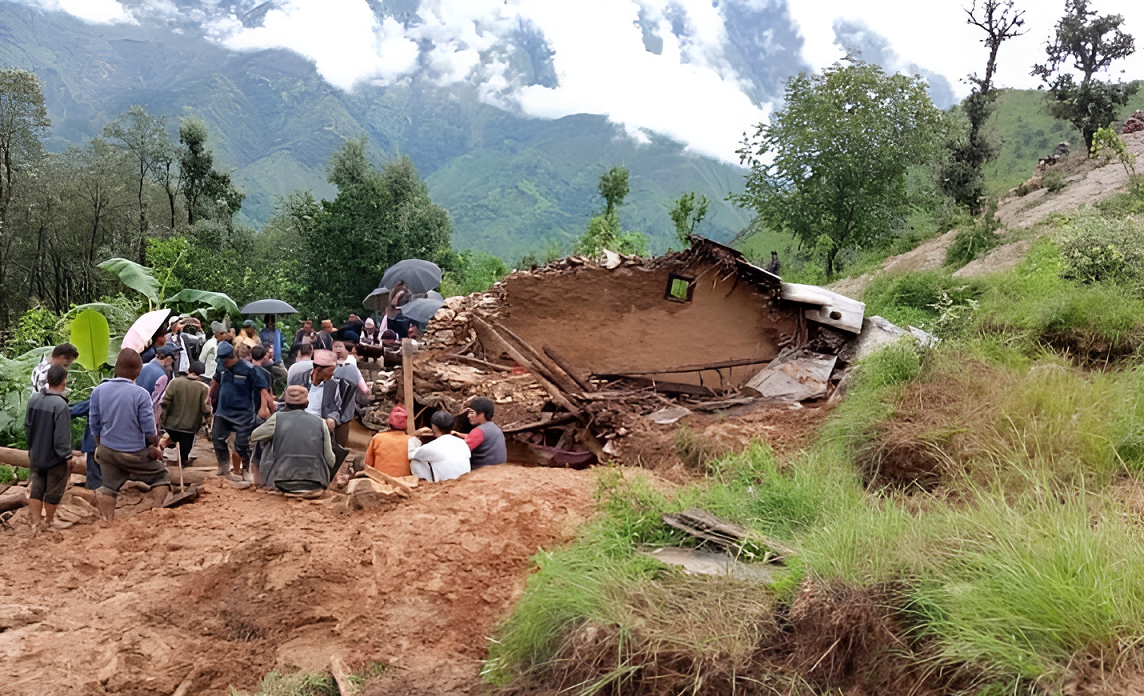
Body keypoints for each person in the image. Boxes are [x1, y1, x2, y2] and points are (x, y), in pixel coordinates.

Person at [89, 349, 170, 520]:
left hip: (108, 450)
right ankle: (157, 513)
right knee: (160, 476)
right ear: (138, 371)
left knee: (109, 487)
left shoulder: (99, 390)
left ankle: (107, 521)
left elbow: (94, 424)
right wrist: (153, 446)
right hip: (135, 453)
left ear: (116, 368)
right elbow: (149, 429)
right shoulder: (140, 394)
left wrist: (100, 447)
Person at [250, 385, 335, 495]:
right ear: (307, 403)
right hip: (315, 483)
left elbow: (254, 436)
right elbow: (331, 460)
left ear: (286, 402)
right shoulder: (320, 422)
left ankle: (259, 481)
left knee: (262, 441)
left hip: (281, 482)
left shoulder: (277, 418)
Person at [286, 349, 356, 471]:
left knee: (335, 449)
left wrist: (332, 418)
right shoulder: (299, 379)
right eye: (332, 369)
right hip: (298, 417)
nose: (334, 372)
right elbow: (286, 400)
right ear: (318, 370)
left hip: (320, 421)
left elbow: (336, 407)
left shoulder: (334, 384)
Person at [210, 341, 270, 482]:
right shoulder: (222, 369)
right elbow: (215, 383)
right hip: (222, 411)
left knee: (241, 444)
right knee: (217, 439)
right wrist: (210, 396)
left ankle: (245, 469)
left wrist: (264, 407)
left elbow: (263, 389)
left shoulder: (249, 370)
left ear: (230, 358)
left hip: (242, 413)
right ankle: (223, 468)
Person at [25, 365, 73, 532]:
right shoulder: (60, 405)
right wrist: (67, 456)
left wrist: (32, 447)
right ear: (63, 381)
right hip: (54, 456)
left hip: (37, 453)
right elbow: (62, 436)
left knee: (37, 487)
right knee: (54, 489)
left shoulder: (34, 399)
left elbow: (28, 426)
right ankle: (49, 521)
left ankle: (35, 522)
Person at [159, 360, 211, 468]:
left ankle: (160, 457)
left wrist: (162, 420)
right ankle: (183, 461)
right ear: (201, 375)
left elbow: (165, 403)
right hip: (189, 428)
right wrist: (208, 422)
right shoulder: (204, 388)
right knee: (185, 453)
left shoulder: (175, 382)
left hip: (170, 425)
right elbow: (206, 409)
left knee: (167, 441)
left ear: (188, 371)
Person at [409, 410, 471, 483]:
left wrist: (414, 436)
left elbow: (410, 454)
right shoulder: (462, 443)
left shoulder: (432, 446)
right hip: (464, 481)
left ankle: (427, 485)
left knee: (416, 461)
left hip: (445, 484)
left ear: (434, 427)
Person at [363, 405, 413, 477]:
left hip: (379, 481)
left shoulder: (377, 438)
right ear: (406, 425)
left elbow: (368, 465)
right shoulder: (411, 441)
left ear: (389, 423)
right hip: (404, 482)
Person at [462, 397, 507, 468]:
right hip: (499, 468)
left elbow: (460, 451)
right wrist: (457, 434)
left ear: (482, 414)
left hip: (483, 470)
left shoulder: (478, 431)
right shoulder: (493, 427)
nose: (468, 416)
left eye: (472, 413)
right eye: (468, 413)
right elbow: (474, 437)